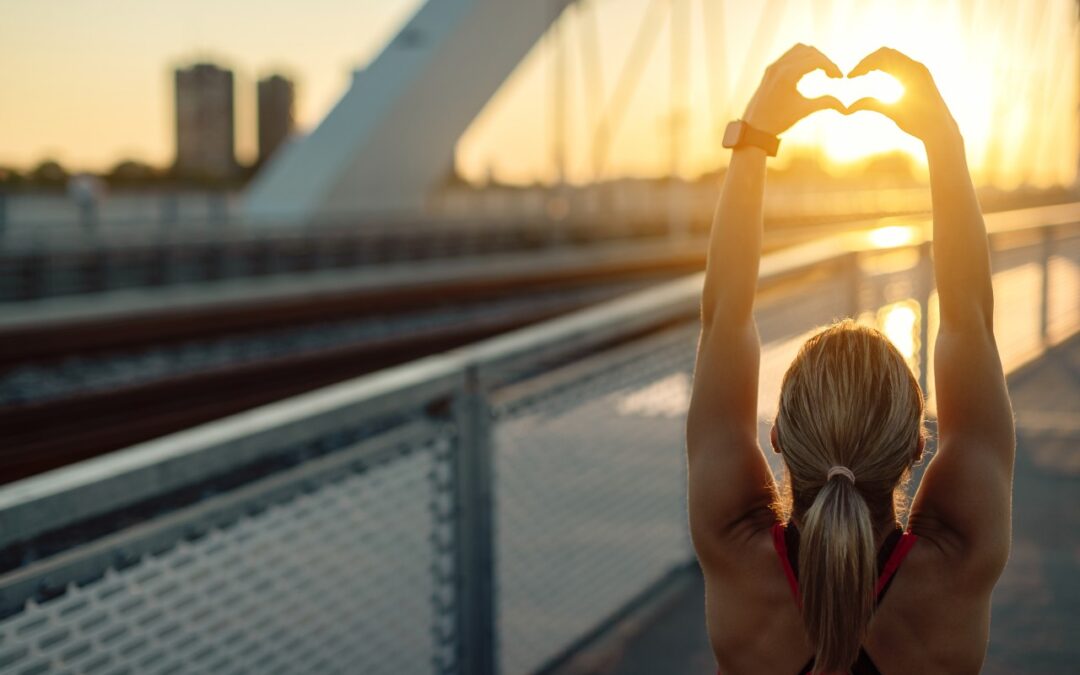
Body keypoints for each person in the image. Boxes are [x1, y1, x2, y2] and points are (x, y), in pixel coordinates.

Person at [687, 45, 1014, 674]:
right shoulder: (958, 563)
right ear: (917, 445)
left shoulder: (735, 551)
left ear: (778, 435)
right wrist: (943, 139)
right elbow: (969, 321)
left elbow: (724, 315)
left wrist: (753, 138)